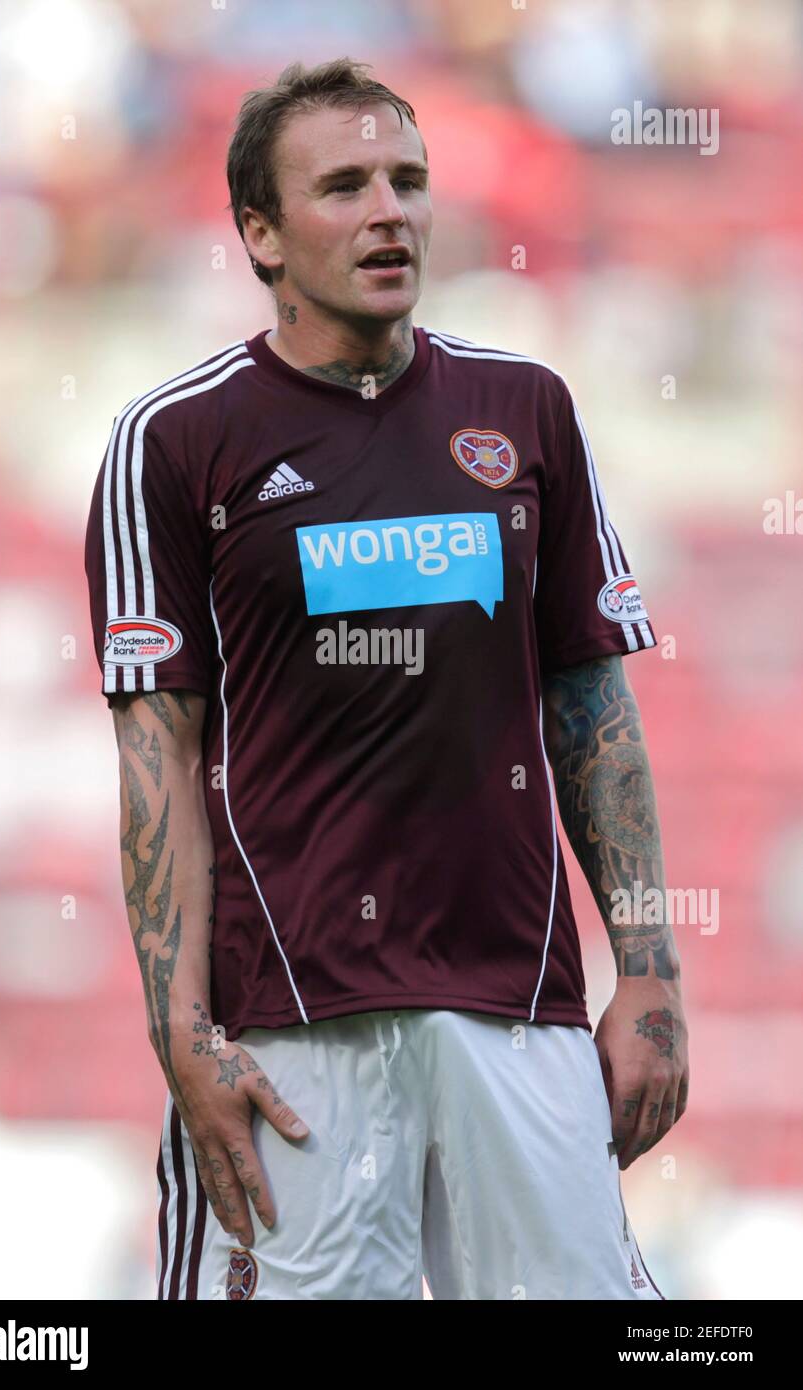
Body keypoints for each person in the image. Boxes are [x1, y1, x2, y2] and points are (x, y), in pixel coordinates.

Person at [84, 57, 689, 1301]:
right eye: (345, 185)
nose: (389, 212)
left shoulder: (526, 410)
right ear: (258, 231)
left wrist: (651, 978)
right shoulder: (173, 442)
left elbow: (591, 711)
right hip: (287, 1030)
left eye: (408, 182)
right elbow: (157, 764)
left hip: (516, 1016)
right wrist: (181, 1033)